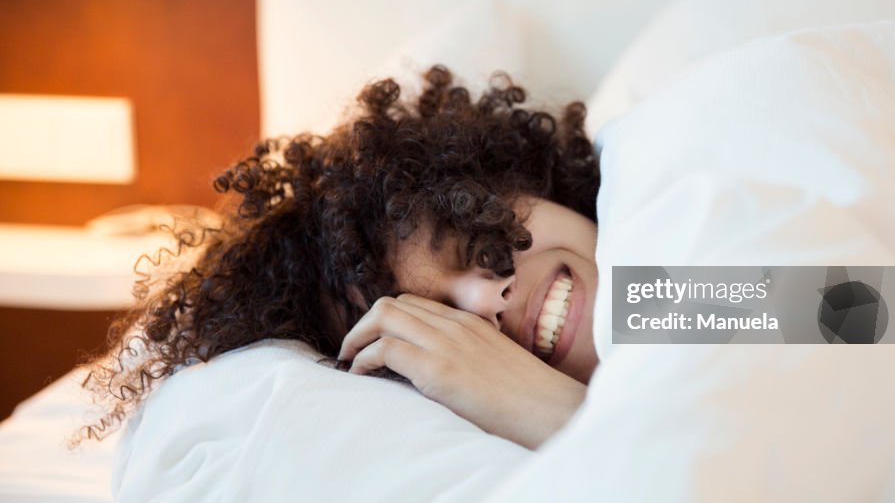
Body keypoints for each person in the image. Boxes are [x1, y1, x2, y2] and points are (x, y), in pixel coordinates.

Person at [80, 66, 602, 450]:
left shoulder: (665, 199)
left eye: (479, 242)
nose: (488, 300)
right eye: (438, 323)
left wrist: (556, 414)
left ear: (529, 179)